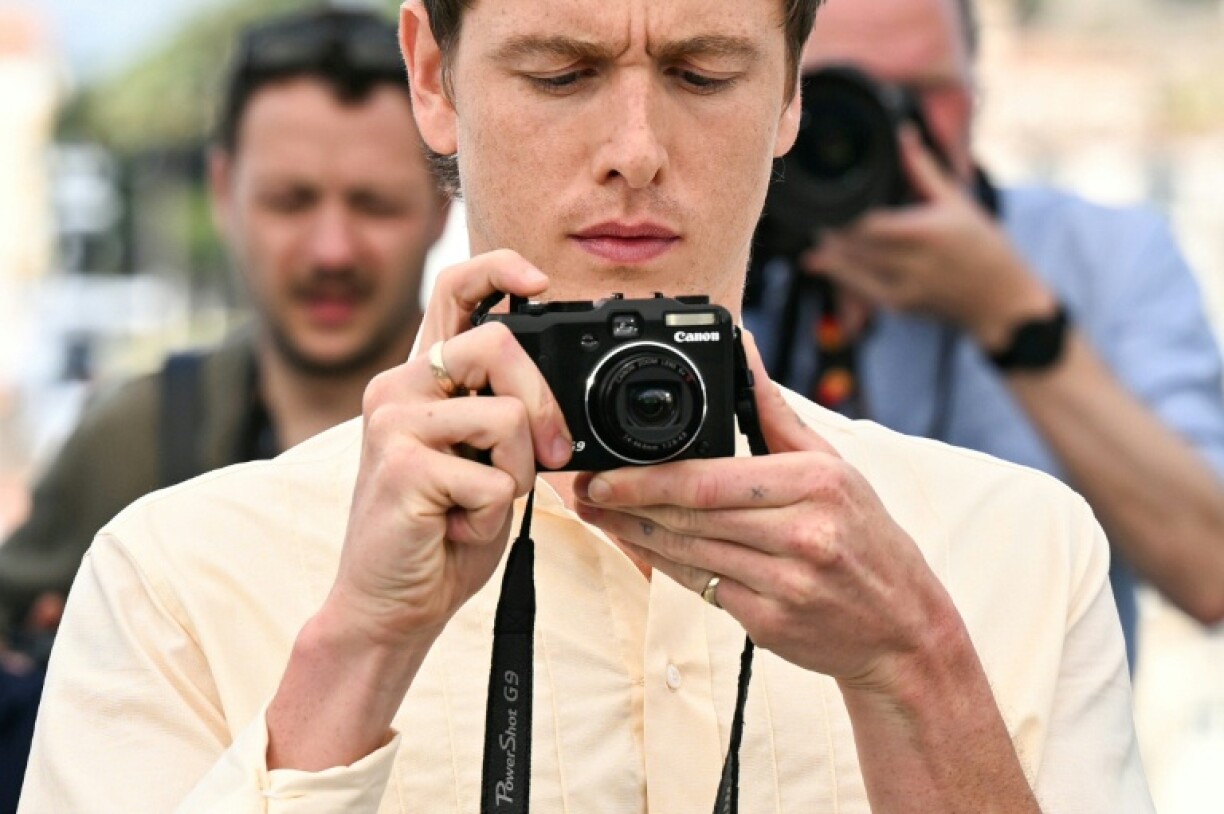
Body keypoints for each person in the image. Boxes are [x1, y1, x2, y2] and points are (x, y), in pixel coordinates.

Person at [21, 0, 1153, 811]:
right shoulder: (176, 581)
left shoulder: (1022, 553)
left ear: (790, 94)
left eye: (703, 73)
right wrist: (357, 653)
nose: (636, 152)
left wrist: (912, 666)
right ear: (433, 77)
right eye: (561, 74)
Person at [0, 5, 448, 808]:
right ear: (222, 190)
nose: (332, 248)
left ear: (443, 202)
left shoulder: (507, 436)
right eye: (290, 200)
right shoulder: (131, 440)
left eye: (374, 204)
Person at [743, 0, 1224, 668]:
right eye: (839, 94)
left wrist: (1011, 314)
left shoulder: (1105, 258)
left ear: (977, 92)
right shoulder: (727, 259)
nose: (886, 127)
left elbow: (1210, 570)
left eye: (921, 92)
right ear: (778, 103)